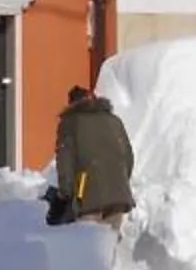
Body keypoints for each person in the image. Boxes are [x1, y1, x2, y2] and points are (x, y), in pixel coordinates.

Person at [50, 84, 134, 228]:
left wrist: (65, 193)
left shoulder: (70, 123)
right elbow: (128, 157)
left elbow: (65, 161)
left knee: (89, 244)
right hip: (118, 192)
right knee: (109, 244)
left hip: (87, 193)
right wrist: (120, 179)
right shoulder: (114, 120)